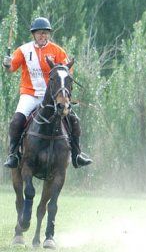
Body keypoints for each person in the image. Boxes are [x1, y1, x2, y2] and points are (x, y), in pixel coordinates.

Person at [2, 17, 92, 169]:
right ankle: (13, 154)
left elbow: (66, 73)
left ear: (49, 34)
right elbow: (11, 69)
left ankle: (77, 155)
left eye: (45, 33)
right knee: (16, 120)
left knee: (74, 119)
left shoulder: (57, 51)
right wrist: (6, 64)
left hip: (51, 96)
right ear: (34, 34)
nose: (42, 36)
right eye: (39, 33)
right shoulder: (23, 50)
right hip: (29, 94)